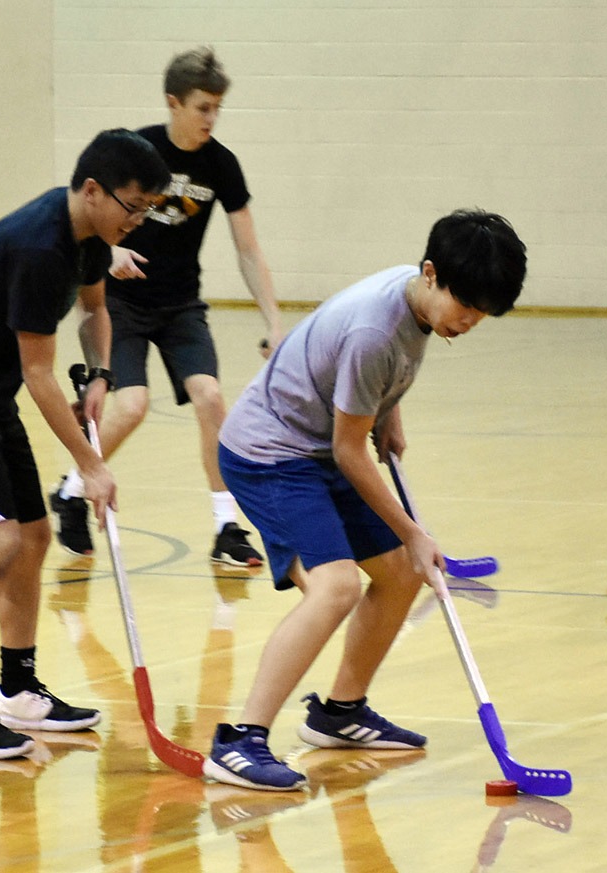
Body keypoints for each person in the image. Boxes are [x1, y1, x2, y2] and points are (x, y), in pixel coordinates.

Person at [201, 209, 528, 791]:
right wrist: (413, 531)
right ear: (431, 274)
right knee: (336, 587)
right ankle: (239, 741)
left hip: (320, 447)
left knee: (401, 576)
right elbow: (350, 450)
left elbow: (370, 389)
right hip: (270, 454)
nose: (471, 321)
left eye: (484, 314)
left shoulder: (415, 300)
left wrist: (387, 413)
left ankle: (341, 713)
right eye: (466, 306)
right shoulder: (374, 329)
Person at [0, 129, 171, 759]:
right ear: (91, 190)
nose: (138, 220)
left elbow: (94, 310)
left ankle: (18, 689)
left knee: (33, 536)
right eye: (132, 206)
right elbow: (39, 374)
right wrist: (91, 466)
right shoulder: (39, 246)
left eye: (146, 209)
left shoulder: (90, 239)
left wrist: (103, 374)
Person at [49, 46, 283, 567]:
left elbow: (248, 248)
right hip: (124, 304)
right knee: (130, 406)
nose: (211, 118)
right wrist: (108, 254)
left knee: (211, 397)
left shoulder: (222, 164)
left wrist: (274, 320)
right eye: (203, 107)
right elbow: (85, 215)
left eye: (217, 108)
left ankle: (226, 526)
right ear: (173, 103)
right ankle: (70, 491)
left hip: (181, 306)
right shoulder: (139, 153)